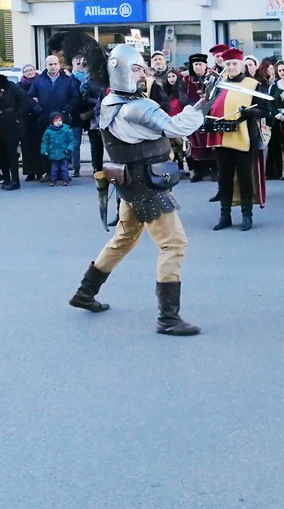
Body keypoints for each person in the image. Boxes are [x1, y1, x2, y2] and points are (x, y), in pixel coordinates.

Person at [68, 43, 206, 336]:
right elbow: (176, 128)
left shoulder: (111, 102)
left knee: (124, 238)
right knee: (174, 244)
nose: (143, 73)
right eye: (136, 69)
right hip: (147, 186)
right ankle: (168, 318)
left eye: (142, 68)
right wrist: (200, 109)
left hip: (131, 184)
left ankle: (85, 292)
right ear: (121, 72)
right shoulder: (137, 107)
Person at [205, 48, 267, 231]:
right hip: (222, 136)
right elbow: (210, 106)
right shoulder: (219, 84)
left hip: (245, 136)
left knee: (244, 176)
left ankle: (247, 214)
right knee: (224, 177)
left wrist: (251, 113)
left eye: (234, 64)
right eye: (228, 64)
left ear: (241, 65)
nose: (231, 67)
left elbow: (265, 109)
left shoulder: (253, 84)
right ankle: (225, 215)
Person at [27, 55, 80, 181]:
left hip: (62, 119)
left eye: (55, 64)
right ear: (46, 66)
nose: (53, 67)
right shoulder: (39, 80)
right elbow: (29, 97)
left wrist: (66, 110)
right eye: (50, 64)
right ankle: (49, 172)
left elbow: (74, 97)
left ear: (59, 65)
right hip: (44, 119)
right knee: (47, 145)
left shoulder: (67, 80)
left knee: (63, 145)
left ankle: (63, 172)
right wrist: (38, 109)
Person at [0, 66, 30, 190]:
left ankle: (15, 181)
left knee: (11, 153)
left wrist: (17, 115)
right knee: (1, 154)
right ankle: (6, 179)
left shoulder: (8, 85)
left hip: (11, 124)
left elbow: (24, 100)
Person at [183, 52, 215, 182]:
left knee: (211, 142)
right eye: (195, 64)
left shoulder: (212, 78)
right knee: (195, 144)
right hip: (194, 114)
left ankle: (214, 170)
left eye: (200, 64)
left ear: (205, 65)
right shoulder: (186, 80)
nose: (198, 67)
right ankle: (199, 170)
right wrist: (193, 107)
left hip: (211, 114)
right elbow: (183, 97)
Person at [265, 60, 284, 180]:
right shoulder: (274, 86)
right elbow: (270, 102)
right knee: (275, 145)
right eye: (279, 70)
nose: (281, 72)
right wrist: (277, 114)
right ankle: (276, 171)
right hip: (276, 119)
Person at [41, 112, 75, 186]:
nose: (58, 122)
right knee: (54, 169)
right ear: (52, 122)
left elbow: (71, 141)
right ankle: (53, 180)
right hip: (53, 154)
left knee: (64, 168)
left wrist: (69, 148)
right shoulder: (48, 132)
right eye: (56, 121)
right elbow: (45, 142)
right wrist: (44, 150)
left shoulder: (67, 130)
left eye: (60, 120)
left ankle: (65, 180)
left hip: (64, 153)